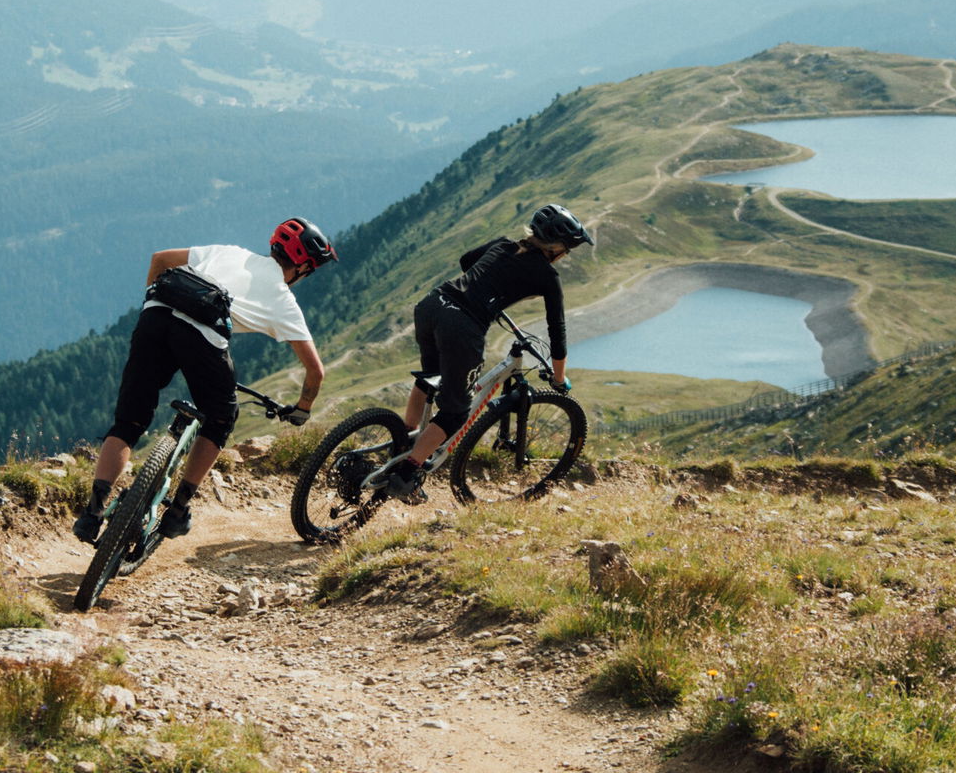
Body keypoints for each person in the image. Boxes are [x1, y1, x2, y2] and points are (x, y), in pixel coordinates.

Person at [73, 218, 334, 544]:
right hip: (202, 337)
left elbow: (160, 259)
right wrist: (302, 409)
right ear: (304, 266)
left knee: (128, 422)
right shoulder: (282, 299)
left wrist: (153, 311)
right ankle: (178, 510)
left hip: (155, 316)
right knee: (221, 417)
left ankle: (92, 513)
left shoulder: (230, 252)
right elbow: (315, 371)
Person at [384, 203, 592, 502]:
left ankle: (402, 440)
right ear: (557, 247)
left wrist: (488, 289)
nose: (565, 256)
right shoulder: (548, 276)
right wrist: (558, 379)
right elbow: (557, 332)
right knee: (456, 413)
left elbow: (466, 260)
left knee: (431, 377)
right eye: (567, 250)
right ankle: (406, 474)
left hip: (433, 304)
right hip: (462, 326)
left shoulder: (504, 244)